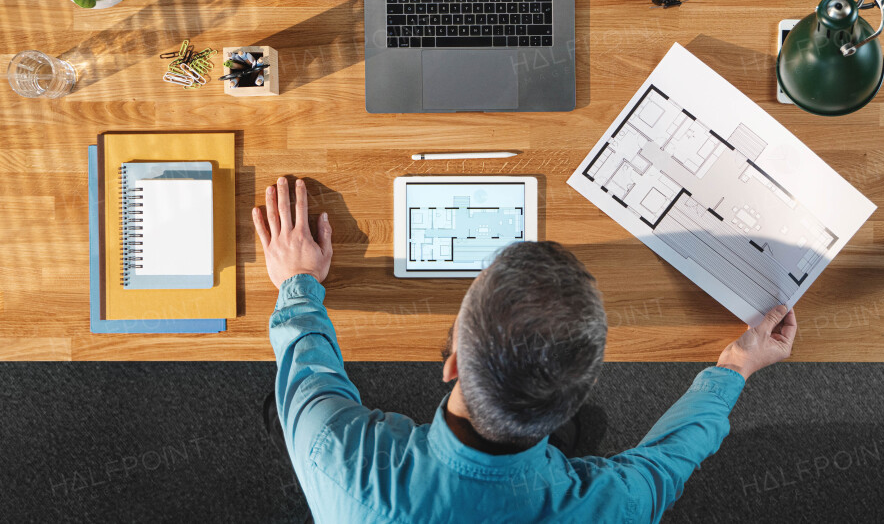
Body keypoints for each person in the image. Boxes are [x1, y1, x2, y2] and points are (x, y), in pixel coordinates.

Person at [257, 177, 798, 524]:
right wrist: (737, 364)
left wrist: (298, 277)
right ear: (574, 400)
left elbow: (308, 368)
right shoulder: (612, 509)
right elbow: (667, 462)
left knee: (283, 402)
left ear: (451, 365)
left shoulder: (328, 449)